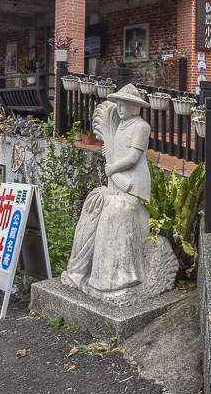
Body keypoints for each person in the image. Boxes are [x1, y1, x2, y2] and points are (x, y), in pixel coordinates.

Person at [61, 84, 154, 298]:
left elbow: (132, 158)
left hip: (134, 186)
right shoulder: (120, 126)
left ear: (135, 107)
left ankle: (115, 279)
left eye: (124, 105)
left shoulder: (141, 127)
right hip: (116, 185)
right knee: (94, 203)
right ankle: (78, 271)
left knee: (114, 213)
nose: (119, 109)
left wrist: (111, 169)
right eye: (118, 105)